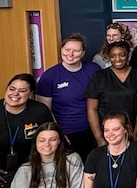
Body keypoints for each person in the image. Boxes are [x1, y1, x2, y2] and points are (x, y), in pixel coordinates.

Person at [37, 33, 101, 161]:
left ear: (83, 53)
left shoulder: (93, 69)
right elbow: (44, 111)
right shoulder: (49, 76)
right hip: (66, 133)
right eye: (67, 49)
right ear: (61, 50)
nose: (70, 54)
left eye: (76, 51)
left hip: (94, 130)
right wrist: (58, 134)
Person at [86, 40, 137, 146]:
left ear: (128, 54)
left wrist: (136, 133)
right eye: (113, 56)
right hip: (108, 134)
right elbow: (91, 110)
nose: (117, 59)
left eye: (122, 55)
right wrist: (99, 138)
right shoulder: (99, 77)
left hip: (132, 132)